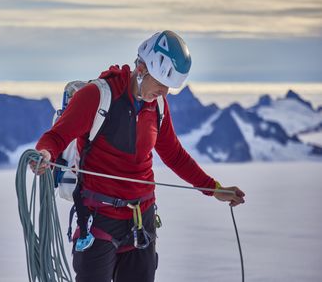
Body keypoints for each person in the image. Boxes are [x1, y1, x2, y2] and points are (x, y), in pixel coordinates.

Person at [32, 30, 245, 282]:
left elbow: (174, 155)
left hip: (141, 223)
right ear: (142, 69)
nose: (165, 93)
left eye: (169, 87)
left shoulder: (158, 107)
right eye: (161, 84)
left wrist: (214, 188)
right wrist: (44, 153)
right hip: (99, 220)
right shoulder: (97, 96)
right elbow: (57, 137)